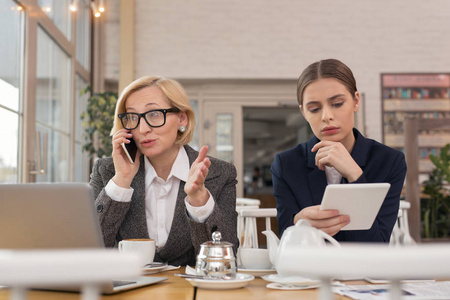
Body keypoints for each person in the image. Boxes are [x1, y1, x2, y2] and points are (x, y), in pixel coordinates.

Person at [90, 76, 239, 266]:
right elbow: (91, 250)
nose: (142, 129)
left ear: (182, 118)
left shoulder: (220, 174)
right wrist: (122, 180)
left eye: (154, 114)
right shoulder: (108, 171)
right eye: (132, 117)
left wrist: (199, 200)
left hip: (189, 291)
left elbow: (225, 260)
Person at [271, 59, 407, 243]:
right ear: (304, 112)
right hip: (310, 270)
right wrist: (298, 222)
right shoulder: (286, 165)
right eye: (314, 109)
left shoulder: (390, 161)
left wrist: (355, 174)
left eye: (337, 104)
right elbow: (286, 242)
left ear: (356, 101)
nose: (327, 116)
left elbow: (376, 245)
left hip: (365, 270)